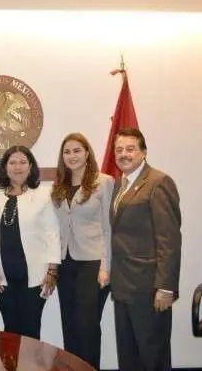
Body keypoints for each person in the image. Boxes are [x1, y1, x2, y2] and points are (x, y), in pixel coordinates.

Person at [110, 127, 182, 371]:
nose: (124, 154)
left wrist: (166, 286)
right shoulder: (120, 185)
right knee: (128, 356)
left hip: (149, 289)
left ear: (143, 153)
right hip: (123, 286)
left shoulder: (158, 182)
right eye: (119, 149)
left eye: (130, 149)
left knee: (153, 356)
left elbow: (169, 240)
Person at [50, 133, 113, 370]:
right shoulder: (59, 186)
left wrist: (106, 267)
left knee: (87, 325)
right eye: (67, 152)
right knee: (70, 323)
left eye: (77, 150)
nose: (72, 156)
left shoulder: (104, 182)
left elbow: (109, 228)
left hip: (93, 263)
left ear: (87, 153)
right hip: (66, 263)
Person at [0, 145, 61, 340]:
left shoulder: (44, 194)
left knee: (30, 331)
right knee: (10, 330)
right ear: (5, 167)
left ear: (30, 167)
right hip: (2, 278)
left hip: (35, 278)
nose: (17, 167)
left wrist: (53, 271)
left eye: (22, 162)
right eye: (12, 162)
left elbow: (52, 233)